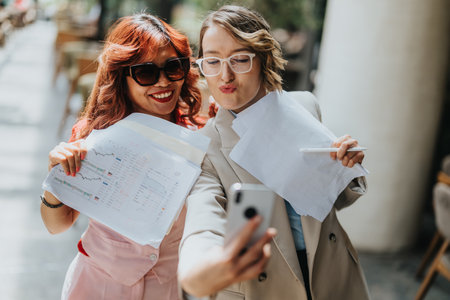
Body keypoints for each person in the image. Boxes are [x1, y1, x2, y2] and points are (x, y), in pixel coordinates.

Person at [178, 5, 370, 300]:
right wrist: (204, 271)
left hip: (333, 276)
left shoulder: (305, 106)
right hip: (261, 287)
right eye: (212, 62)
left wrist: (346, 167)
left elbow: (327, 206)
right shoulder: (205, 147)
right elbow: (202, 228)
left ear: (263, 59)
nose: (225, 76)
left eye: (240, 59)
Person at [40, 12, 202, 300]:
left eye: (173, 67)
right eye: (146, 72)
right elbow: (57, 225)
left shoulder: (198, 139)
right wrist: (54, 180)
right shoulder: (96, 136)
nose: (163, 82)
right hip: (96, 286)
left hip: (168, 290)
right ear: (122, 77)